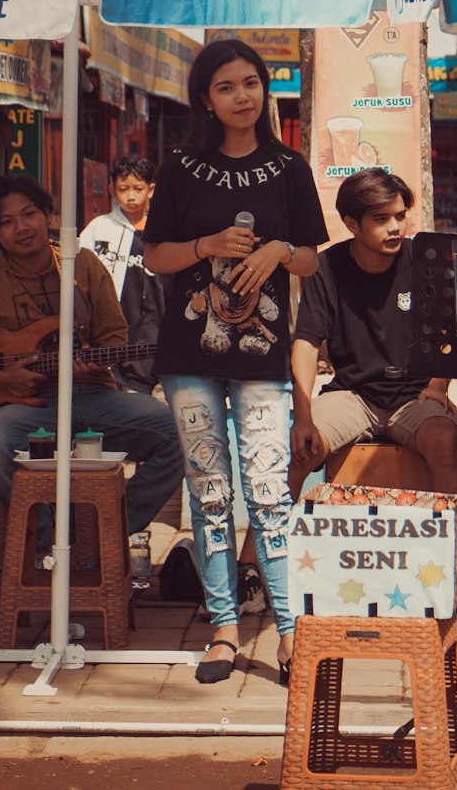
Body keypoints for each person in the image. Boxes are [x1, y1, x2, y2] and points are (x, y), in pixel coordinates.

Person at [144, 38, 328, 686]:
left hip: (263, 359)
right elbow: (154, 257)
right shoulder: (180, 169)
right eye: (227, 86)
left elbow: (312, 257)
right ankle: (223, 628)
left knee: (270, 494)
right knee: (210, 494)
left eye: (252, 82)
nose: (243, 95)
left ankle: (287, 631)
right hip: (187, 356)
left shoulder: (289, 168)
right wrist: (205, 244)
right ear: (206, 99)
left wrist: (278, 249)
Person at [0, 173, 184, 542]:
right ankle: (49, 535)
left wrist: (96, 358)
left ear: (47, 214)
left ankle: (107, 530)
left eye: (29, 214)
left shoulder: (81, 265)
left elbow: (115, 335)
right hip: (27, 407)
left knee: (179, 433)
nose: (21, 227)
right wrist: (5, 381)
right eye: (6, 222)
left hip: (95, 396)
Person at [290, 167, 457, 626]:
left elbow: (453, 330)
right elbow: (305, 343)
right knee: (300, 445)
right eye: (381, 218)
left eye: (400, 215)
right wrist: (303, 414)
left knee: (443, 439)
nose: (396, 227)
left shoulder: (426, 260)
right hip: (353, 393)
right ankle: (257, 566)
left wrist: (439, 385)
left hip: (413, 395)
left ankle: (456, 574)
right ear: (352, 223)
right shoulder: (325, 266)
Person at [79, 155, 166, 393]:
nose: (130, 196)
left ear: (150, 190)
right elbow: (80, 266)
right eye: (123, 189)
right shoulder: (99, 227)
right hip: (112, 315)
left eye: (137, 189)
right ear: (111, 190)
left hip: (150, 321)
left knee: (140, 384)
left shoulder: (160, 229)